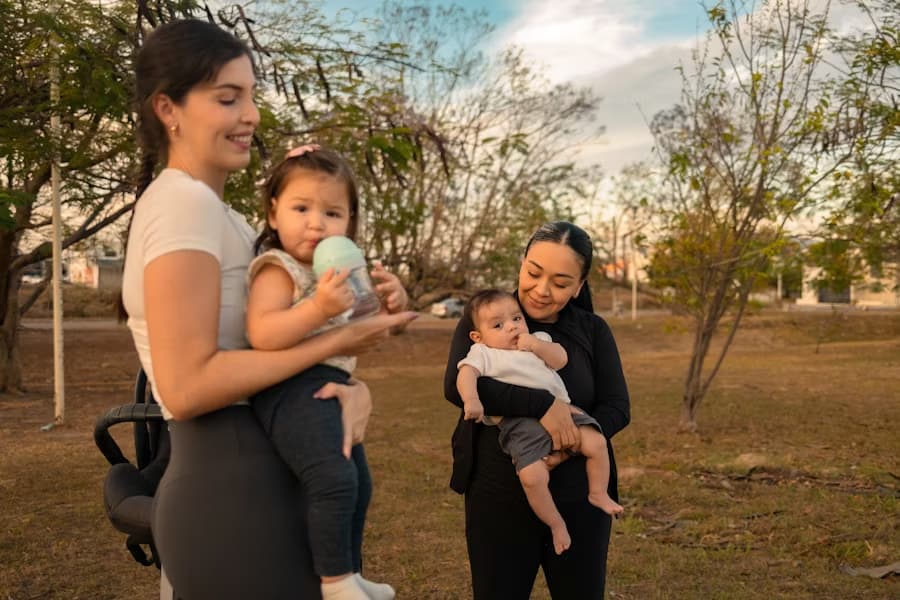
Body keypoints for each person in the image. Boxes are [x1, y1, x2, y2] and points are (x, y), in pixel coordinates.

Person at [121, 19, 416, 600]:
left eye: (252, 96)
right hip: (228, 489)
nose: (251, 115)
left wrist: (352, 386)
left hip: (271, 472)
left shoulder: (228, 219)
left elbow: (270, 343)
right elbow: (184, 386)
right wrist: (335, 346)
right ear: (168, 109)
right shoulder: (181, 205)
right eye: (228, 98)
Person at [245, 143, 406, 600]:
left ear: (349, 222)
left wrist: (393, 303)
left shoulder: (333, 271)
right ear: (274, 214)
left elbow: (365, 330)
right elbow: (263, 334)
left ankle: (351, 572)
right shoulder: (278, 270)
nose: (317, 223)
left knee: (360, 483)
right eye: (302, 208)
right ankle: (334, 584)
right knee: (333, 479)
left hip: (327, 383)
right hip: (289, 387)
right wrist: (317, 306)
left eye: (333, 213)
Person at [444, 222, 631, 600]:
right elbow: (457, 385)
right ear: (522, 263)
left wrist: (576, 439)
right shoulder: (487, 315)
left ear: (580, 286)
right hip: (497, 490)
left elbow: (617, 407)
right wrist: (545, 406)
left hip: (578, 493)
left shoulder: (592, 330)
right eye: (533, 273)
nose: (542, 290)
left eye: (561, 283)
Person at [456, 289, 624, 555]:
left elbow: (560, 359)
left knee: (597, 442)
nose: (511, 327)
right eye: (498, 325)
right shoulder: (482, 353)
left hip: (566, 412)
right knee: (533, 477)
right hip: (521, 425)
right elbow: (465, 375)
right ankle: (556, 523)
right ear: (479, 336)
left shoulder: (539, 339)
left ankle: (598, 492)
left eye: (516, 319)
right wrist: (472, 400)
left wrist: (535, 345)